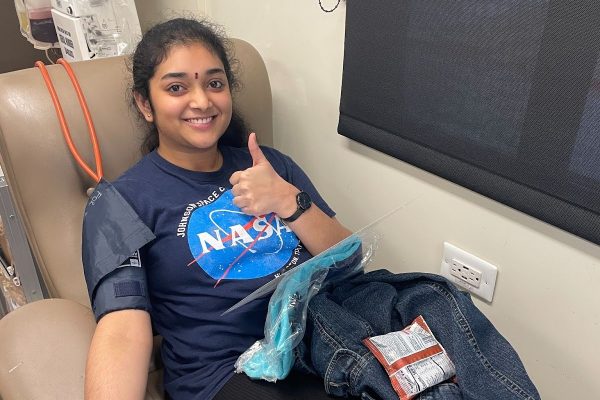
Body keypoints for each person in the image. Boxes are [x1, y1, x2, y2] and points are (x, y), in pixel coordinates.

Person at [83, 18, 352, 400]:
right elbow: (122, 329)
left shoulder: (270, 166)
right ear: (146, 103)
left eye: (214, 83)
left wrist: (289, 202)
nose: (202, 101)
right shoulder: (120, 203)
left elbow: (349, 260)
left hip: (324, 343)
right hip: (228, 372)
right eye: (177, 87)